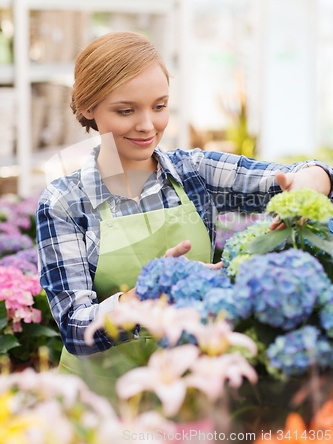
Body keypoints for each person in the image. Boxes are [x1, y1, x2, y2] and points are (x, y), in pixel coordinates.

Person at [36, 31, 333, 393]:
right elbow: (75, 329)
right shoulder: (65, 202)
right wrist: (150, 293)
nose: (147, 125)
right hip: (101, 400)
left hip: (192, 390)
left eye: (159, 106)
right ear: (87, 108)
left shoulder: (196, 173)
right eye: (126, 110)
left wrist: (311, 183)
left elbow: (301, 174)